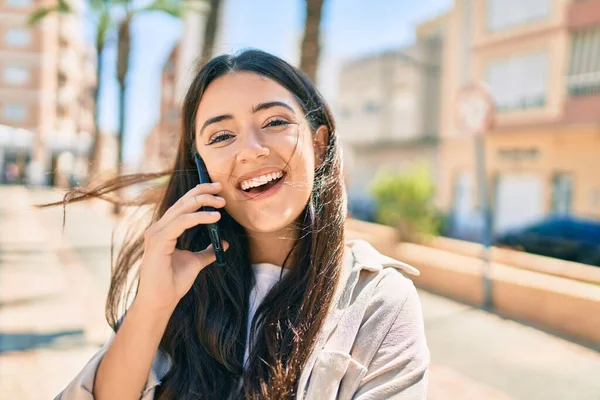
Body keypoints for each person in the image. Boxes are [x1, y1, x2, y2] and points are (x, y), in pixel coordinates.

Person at [50, 49, 429, 399]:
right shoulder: (185, 288)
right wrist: (153, 304)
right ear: (201, 168)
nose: (250, 149)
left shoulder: (378, 302)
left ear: (317, 144)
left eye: (275, 121)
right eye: (222, 136)